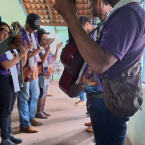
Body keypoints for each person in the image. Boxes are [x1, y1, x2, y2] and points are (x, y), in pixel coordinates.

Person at [54, 0, 145, 145]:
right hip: (106, 96)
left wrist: (70, 17)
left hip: (108, 100)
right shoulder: (126, 13)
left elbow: (100, 63)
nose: (89, 2)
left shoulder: (127, 14)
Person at [0, 22, 29, 145]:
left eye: (7, 32)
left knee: (10, 110)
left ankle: (9, 134)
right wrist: (20, 55)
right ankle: (5, 138)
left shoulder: (10, 48)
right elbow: (6, 65)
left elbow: (21, 64)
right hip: (4, 80)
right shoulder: (2, 48)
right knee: (5, 110)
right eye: (2, 31)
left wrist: (25, 52)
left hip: (14, 80)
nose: (5, 34)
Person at [17, 13, 45, 133]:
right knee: (24, 96)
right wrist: (41, 48)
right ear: (26, 22)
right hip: (23, 70)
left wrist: (43, 46)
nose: (34, 29)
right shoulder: (20, 35)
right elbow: (26, 54)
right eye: (32, 26)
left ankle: (31, 117)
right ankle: (24, 123)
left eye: (35, 27)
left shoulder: (33, 33)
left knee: (35, 94)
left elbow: (35, 51)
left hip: (33, 70)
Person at [36, 28, 63, 119]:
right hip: (41, 73)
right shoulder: (39, 48)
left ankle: (42, 109)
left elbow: (53, 59)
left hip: (47, 73)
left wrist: (57, 49)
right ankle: (38, 111)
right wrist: (47, 48)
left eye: (46, 36)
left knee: (45, 91)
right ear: (39, 38)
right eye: (44, 37)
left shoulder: (47, 48)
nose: (46, 38)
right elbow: (43, 60)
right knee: (41, 91)